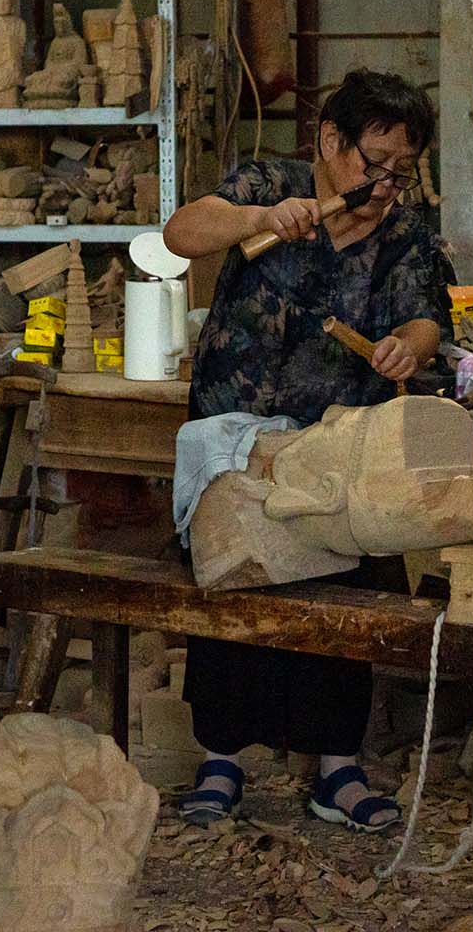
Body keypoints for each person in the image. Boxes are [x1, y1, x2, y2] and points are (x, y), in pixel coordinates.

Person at [161, 70, 450, 833]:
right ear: (330, 142)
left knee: (335, 598)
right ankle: (221, 759)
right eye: (373, 163)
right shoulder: (270, 183)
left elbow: (428, 318)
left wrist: (404, 348)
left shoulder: (404, 232)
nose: (387, 183)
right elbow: (181, 232)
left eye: (401, 169)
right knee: (232, 582)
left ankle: (336, 770)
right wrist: (257, 215)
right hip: (235, 430)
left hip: (333, 441)